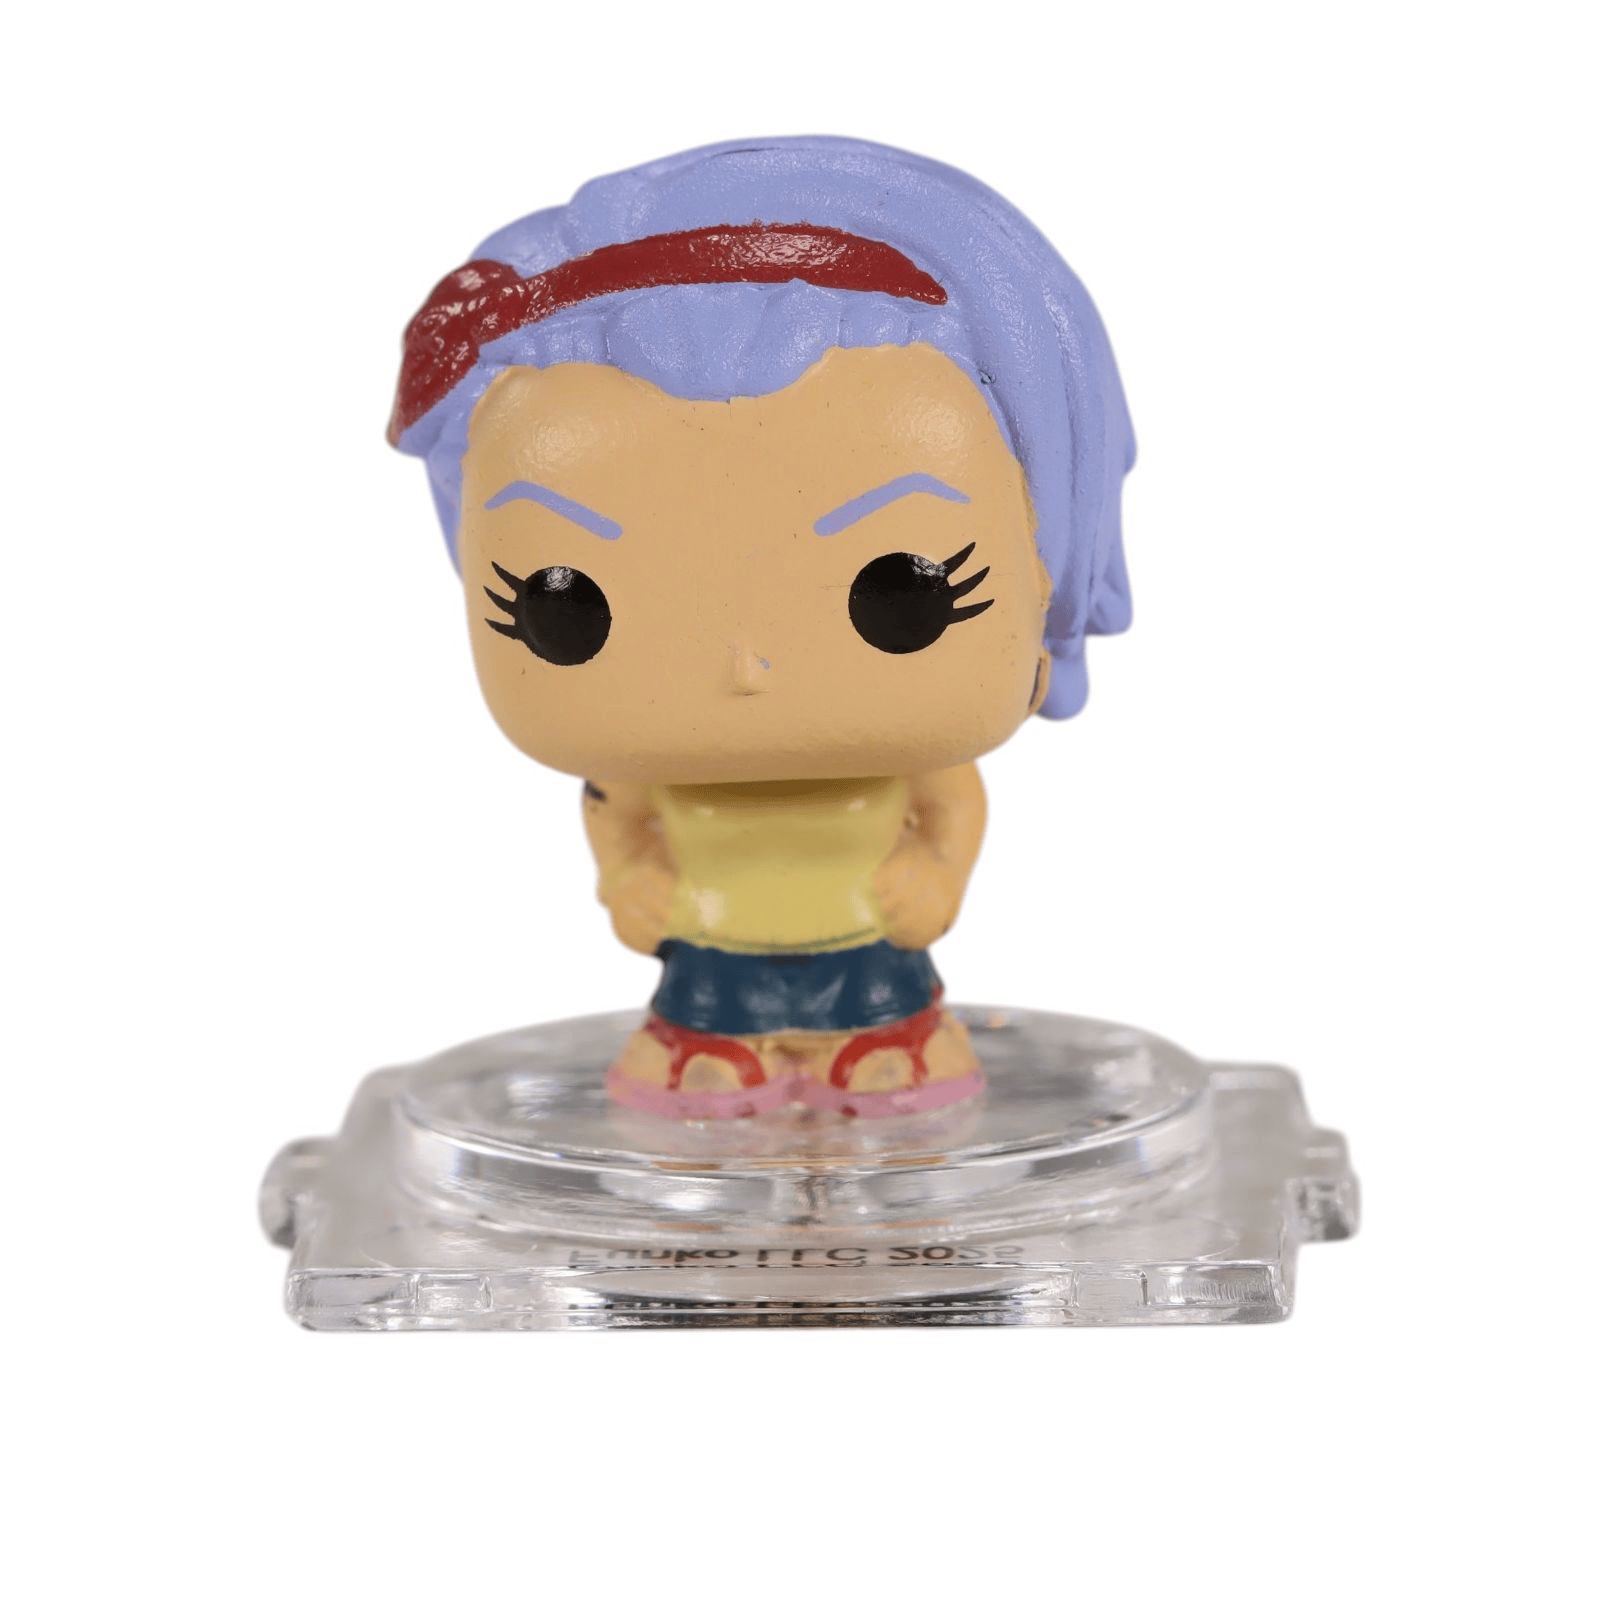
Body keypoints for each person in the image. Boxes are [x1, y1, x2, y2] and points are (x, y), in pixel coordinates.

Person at [389, 137, 1135, 1118]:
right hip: (710, 952)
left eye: (903, 591)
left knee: (889, 1047)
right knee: (703, 1053)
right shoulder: (636, 769)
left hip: (869, 949)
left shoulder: (910, 760)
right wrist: (628, 879)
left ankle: (880, 1051)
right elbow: (615, 814)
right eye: (562, 603)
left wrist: (936, 873)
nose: (746, 668)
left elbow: (951, 808)